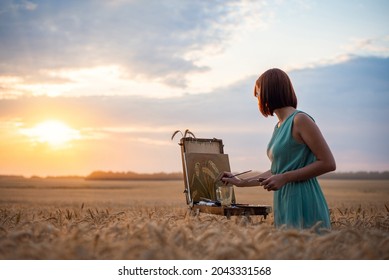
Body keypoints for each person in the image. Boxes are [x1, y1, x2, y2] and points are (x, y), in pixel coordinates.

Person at [221, 68, 336, 230]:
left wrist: (286, 178)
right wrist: (240, 182)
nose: (257, 98)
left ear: (270, 91)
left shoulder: (300, 119)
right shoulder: (279, 126)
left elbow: (328, 163)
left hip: (303, 198)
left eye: (258, 93)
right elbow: (277, 171)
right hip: (283, 199)